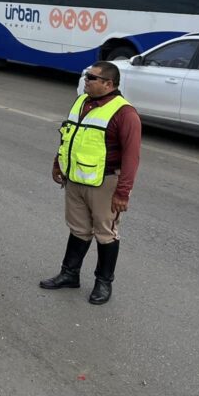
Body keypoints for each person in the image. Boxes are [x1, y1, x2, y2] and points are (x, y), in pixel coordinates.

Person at [40, 61, 141, 305]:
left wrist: (122, 193)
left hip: (105, 183)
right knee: (78, 229)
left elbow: (131, 157)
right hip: (75, 179)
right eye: (86, 76)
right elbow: (68, 135)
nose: (86, 80)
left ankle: (103, 282)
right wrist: (58, 164)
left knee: (106, 233)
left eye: (91, 77)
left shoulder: (124, 113)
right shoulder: (81, 101)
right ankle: (69, 273)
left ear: (108, 84)